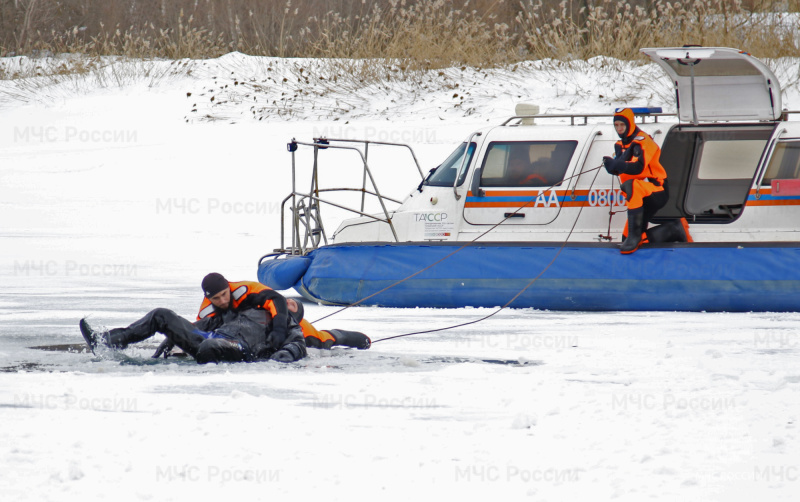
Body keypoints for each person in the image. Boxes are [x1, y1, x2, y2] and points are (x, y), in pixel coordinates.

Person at [79, 272, 307, 364]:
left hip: (240, 347)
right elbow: (202, 324)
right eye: (288, 300)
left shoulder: (286, 323)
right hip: (210, 337)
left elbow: (297, 345)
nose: (288, 303)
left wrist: (280, 357)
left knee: (209, 345)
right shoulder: (239, 310)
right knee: (162, 314)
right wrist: (175, 335)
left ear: (294, 312)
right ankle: (108, 340)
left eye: (292, 305)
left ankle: (205, 355)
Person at [603, 108, 690, 254]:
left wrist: (617, 164)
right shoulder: (620, 145)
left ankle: (637, 237)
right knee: (626, 239)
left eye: (622, 125)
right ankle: (673, 229)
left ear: (630, 124)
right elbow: (620, 167)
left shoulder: (643, 140)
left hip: (657, 189)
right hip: (638, 197)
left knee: (632, 185)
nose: (619, 128)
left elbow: (639, 167)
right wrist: (611, 165)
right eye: (616, 125)